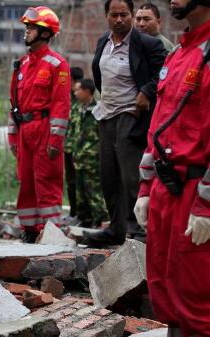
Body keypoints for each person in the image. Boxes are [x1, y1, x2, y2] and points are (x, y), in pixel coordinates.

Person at [133, 0, 210, 335]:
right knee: (163, 290)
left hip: (196, 193)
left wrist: (206, 204)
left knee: (197, 299)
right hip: (166, 191)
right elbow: (158, 128)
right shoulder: (178, 55)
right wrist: (146, 189)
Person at [84, 0, 166, 246]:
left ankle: (140, 230)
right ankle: (116, 228)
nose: (119, 19)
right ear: (107, 16)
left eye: (124, 15)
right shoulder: (103, 42)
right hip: (106, 115)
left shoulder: (147, 44)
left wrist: (146, 91)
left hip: (131, 115)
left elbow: (164, 72)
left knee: (131, 177)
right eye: (114, 15)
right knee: (108, 176)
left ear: (131, 15)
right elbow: (99, 76)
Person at [7, 6, 71, 243]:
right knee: (26, 181)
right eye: (27, 27)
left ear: (45, 33)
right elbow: (13, 102)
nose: (27, 31)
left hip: (44, 130)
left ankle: (52, 232)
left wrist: (56, 138)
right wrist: (13, 134)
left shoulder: (57, 64)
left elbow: (61, 105)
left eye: (32, 28)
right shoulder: (22, 65)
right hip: (25, 130)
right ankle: (30, 229)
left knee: (47, 180)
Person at [69, 79, 108, 228]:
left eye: (78, 89)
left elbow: (101, 135)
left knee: (94, 190)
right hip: (79, 157)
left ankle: (100, 219)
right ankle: (84, 219)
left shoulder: (97, 109)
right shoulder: (78, 109)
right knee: (80, 191)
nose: (75, 92)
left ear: (87, 91)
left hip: (92, 157)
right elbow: (74, 132)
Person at [63, 66, 85, 225]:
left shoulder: (84, 98)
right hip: (68, 146)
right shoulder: (68, 97)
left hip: (81, 148)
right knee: (70, 180)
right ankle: (73, 212)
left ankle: (83, 214)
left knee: (81, 181)